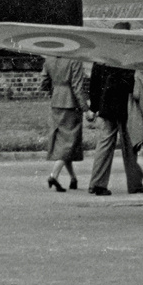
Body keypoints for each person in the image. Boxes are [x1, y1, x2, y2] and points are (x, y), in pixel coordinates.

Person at [86, 23, 143, 196]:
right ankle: (135, 183)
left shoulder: (102, 55)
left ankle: (97, 184)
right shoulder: (129, 55)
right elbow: (133, 81)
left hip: (107, 105)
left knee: (104, 144)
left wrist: (94, 107)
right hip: (126, 105)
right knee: (130, 145)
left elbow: (94, 83)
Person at [41, 56, 88, 192]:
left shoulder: (49, 59)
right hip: (70, 103)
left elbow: (44, 82)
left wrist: (55, 92)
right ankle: (53, 175)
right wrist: (85, 108)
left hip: (56, 101)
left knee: (63, 141)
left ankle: (73, 178)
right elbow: (77, 87)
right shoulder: (75, 59)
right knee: (69, 142)